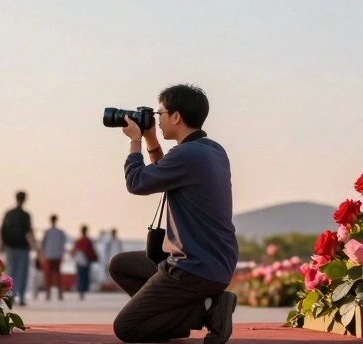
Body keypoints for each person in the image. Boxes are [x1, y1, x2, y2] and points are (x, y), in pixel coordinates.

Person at [110, 84, 239, 344]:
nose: (157, 121)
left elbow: (137, 182)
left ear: (176, 116)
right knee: (120, 265)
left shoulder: (187, 155)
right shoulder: (212, 150)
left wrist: (135, 140)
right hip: (216, 263)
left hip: (193, 267)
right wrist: (150, 141)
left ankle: (206, 311)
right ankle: (196, 309)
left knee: (126, 328)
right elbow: (167, 174)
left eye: (160, 114)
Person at [0, 191, 36, 306]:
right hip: (22, 247)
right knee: (23, 272)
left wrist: (1, 245)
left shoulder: (9, 213)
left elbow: (3, 230)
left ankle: (10, 296)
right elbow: (29, 232)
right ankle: (21, 297)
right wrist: (35, 247)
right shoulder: (26, 215)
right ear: (25, 199)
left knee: (11, 272)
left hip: (10, 247)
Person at [40, 214, 68, 301]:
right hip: (57, 256)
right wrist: (62, 254)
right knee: (57, 275)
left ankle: (48, 294)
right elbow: (63, 244)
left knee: (49, 275)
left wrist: (42, 255)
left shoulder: (47, 232)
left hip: (49, 256)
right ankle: (60, 294)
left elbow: (42, 245)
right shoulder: (60, 232)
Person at [73, 225, 99, 300]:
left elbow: (74, 250)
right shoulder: (87, 240)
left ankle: (81, 292)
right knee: (85, 277)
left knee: (80, 277)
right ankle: (82, 291)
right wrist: (94, 257)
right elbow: (91, 251)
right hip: (86, 261)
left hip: (80, 261)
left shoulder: (79, 240)